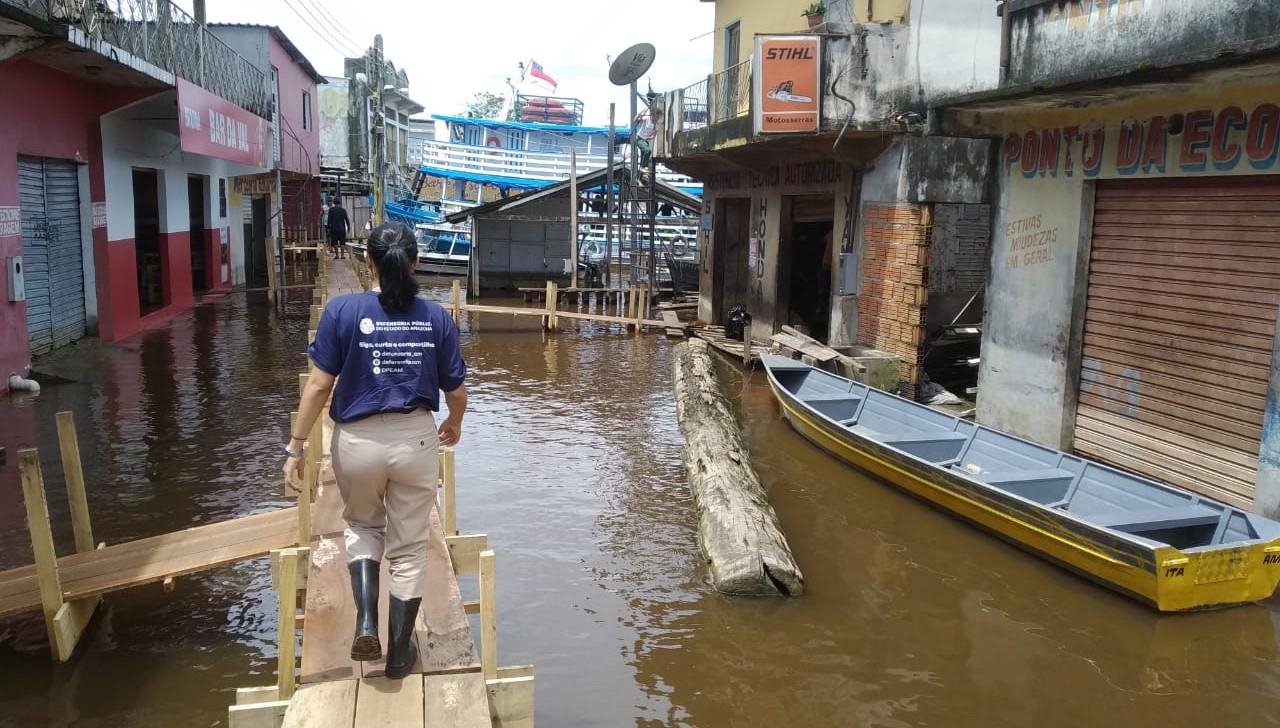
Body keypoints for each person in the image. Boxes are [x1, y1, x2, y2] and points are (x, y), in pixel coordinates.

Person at [283, 222, 467, 680]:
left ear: (367, 261)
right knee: (408, 548)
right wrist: (454, 422)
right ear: (416, 263)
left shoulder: (342, 311)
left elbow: (319, 386)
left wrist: (296, 447)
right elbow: (457, 390)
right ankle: (400, 652)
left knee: (362, 525)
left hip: (357, 443)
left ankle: (367, 620)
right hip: (415, 441)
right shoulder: (437, 317)